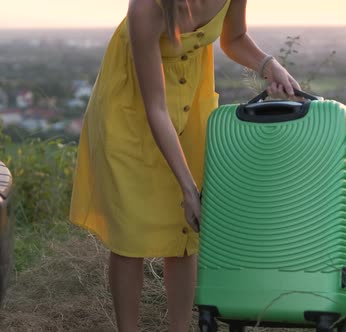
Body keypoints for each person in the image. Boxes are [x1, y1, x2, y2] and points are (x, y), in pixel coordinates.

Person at [69, 0, 301, 331]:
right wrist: (187, 186)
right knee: (129, 234)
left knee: (185, 232)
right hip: (131, 108)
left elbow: (233, 39)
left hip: (191, 103)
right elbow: (155, 107)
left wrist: (268, 65)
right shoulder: (146, 7)